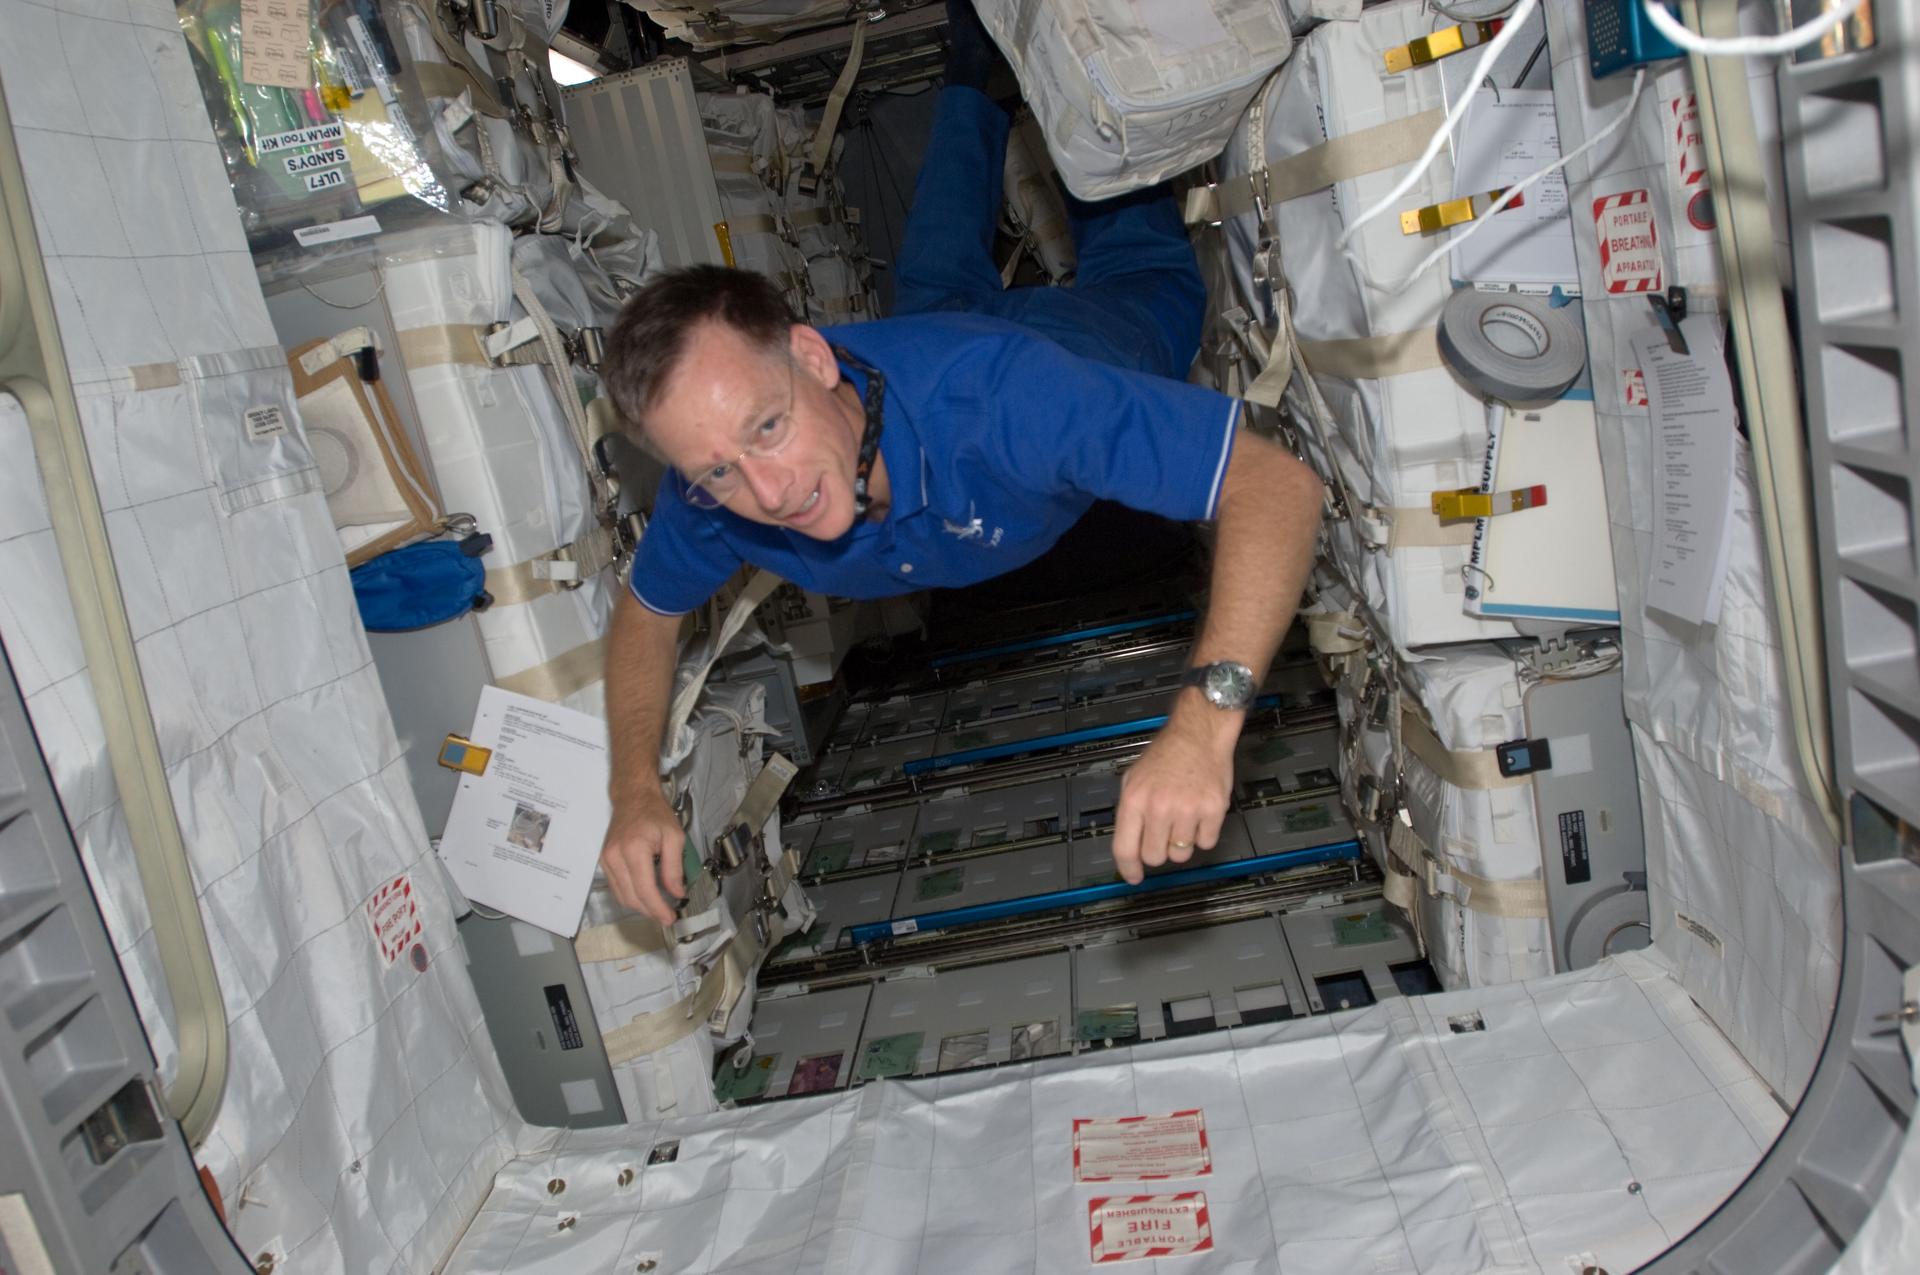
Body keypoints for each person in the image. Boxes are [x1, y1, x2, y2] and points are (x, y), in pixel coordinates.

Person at [596, 1, 1321, 926]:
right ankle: (974, 59)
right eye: (719, 471)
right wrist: (633, 788)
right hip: (929, 342)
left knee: (1113, 180)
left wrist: (1205, 722)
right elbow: (648, 609)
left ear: (814, 358)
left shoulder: (1016, 406)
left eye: (768, 427)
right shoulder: (715, 488)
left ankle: (1036, 37)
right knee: (943, 228)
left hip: (1089, 337)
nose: (768, 493)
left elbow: (1275, 485)